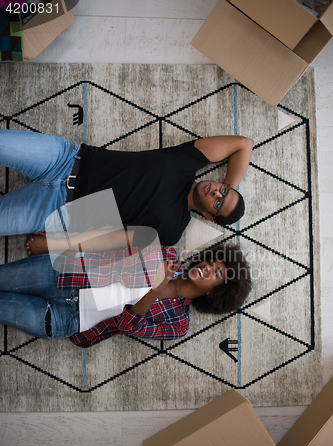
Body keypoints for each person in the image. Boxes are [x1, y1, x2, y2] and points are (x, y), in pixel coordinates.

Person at [0, 130, 253, 246]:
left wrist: (57, 241)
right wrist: (230, 189)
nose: (217, 192)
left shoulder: (172, 231)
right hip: (65, 159)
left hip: (58, 211)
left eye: (218, 203)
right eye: (223, 190)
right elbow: (243, 144)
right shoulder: (189, 161)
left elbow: (110, 241)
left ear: (209, 216)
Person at [0, 243, 252, 348]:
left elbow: (128, 325)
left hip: (65, 319)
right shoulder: (168, 255)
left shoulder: (179, 324)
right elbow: (113, 249)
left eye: (216, 273)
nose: (207, 267)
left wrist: (155, 290)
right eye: (212, 262)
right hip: (64, 274)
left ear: (214, 292)